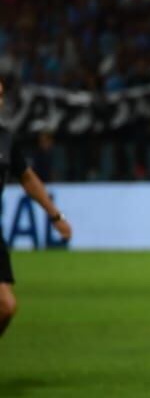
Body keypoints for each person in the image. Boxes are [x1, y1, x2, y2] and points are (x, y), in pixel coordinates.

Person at [0, 79, 73, 337]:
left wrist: (56, 216)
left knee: (6, 308)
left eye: (0, 96)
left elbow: (28, 179)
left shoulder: (6, 140)